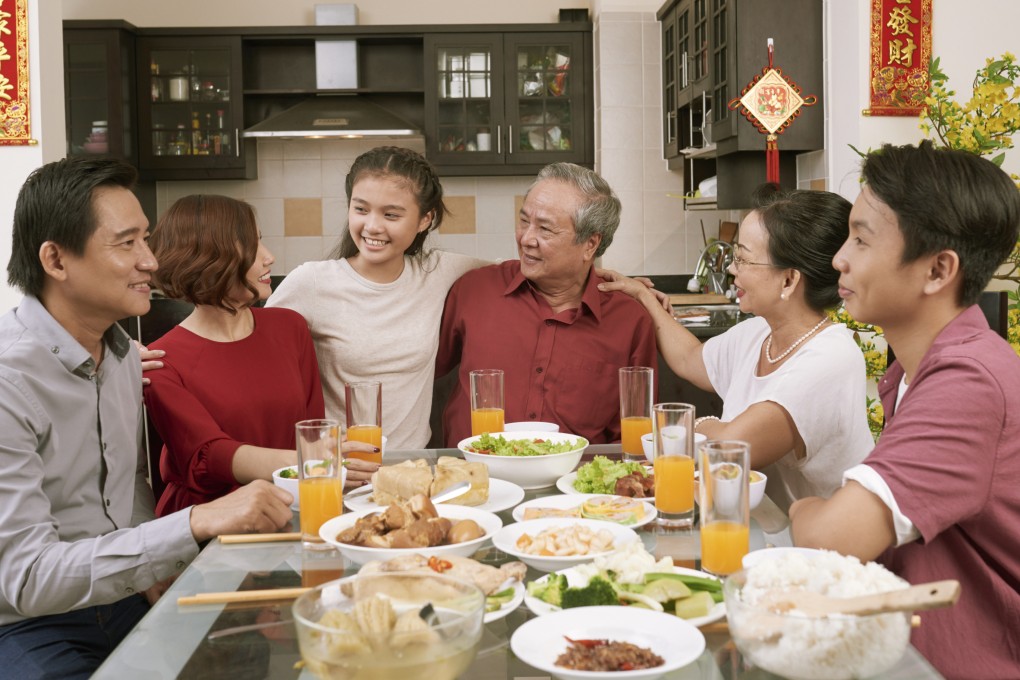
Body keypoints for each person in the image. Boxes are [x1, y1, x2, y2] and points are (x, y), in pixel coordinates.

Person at [0, 157, 293, 678]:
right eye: (127, 243)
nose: (151, 262)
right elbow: (27, 579)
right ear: (56, 259)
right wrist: (194, 522)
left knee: (244, 652)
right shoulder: (9, 382)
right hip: (28, 623)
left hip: (121, 596)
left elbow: (129, 489)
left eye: (147, 240)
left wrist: (154, 569)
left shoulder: (122, 357)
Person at [789, 142, 1020, 679]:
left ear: (937, 270)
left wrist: (804, 510)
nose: (839, 258)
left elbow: (833, 538)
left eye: (862, 239)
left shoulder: (970, 383)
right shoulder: (924, 368)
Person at [599, 185, 874, 510]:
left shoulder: (832, 357)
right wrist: (644, 297)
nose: (732, 269)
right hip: (755, 521)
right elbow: (690, 358)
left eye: (743, 259)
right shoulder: (759, 333)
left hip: (818, 536)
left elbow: (731, 447)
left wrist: (694, 425)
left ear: (788, 280)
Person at [142, 195, 379, 516]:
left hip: (294, 504)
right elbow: (208, 456)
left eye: (261, 241)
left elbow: (311, 431)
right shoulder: (159, 361)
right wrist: (310, 461)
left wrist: (323, 459)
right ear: (208, 259)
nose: (269, 257)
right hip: (211, 521)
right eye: (251, 247)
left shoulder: (289, 327)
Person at [267, 146, 487, 449]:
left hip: (413, 466)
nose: (372, 226)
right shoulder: (312, 282)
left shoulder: (437, 271)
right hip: (341, 466)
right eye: (360, 209)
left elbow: (515, 273)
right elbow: (256, 360)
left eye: (391, 214)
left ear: (425, 219)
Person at [436, 162, 657, 446]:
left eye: (545, 229)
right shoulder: (474, 290)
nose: (526, 239)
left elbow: (633, 438)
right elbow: (416, 373)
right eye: (524, 221)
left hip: (576, 474)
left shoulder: (629, 320)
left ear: (590, 244)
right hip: (474, 469)